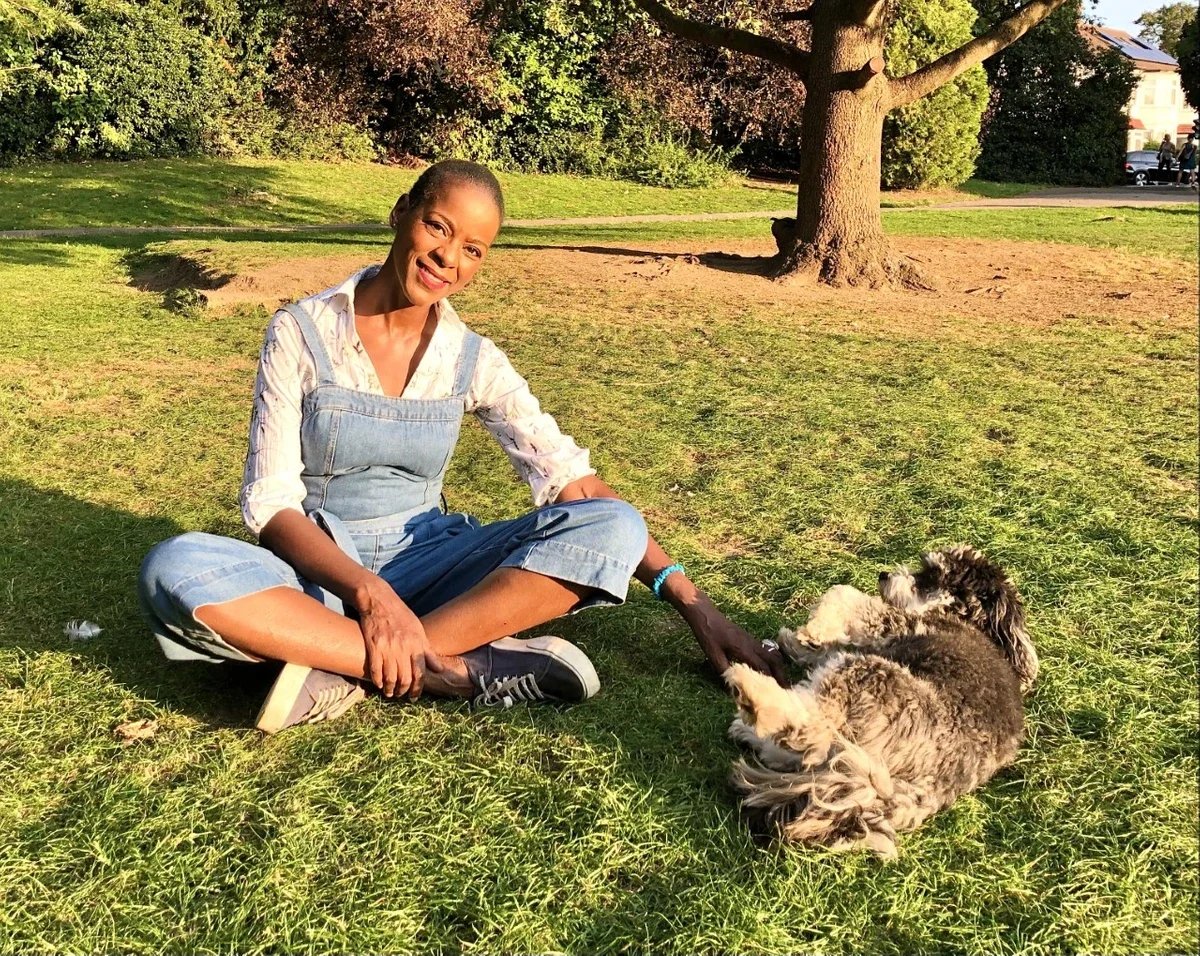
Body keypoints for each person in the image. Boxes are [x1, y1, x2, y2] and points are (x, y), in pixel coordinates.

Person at [138, 160, 785, 733]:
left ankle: (346, 666)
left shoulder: (471, 359)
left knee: (615, 525)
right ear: (402, 214)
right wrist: (370, 595)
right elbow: (273, 505)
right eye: (439, 227)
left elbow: (575, 484)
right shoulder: (302, 333)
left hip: (434, 567)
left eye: (474, 250)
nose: (450, 258)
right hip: (320, 573)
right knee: (177, 569)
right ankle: (452, 670)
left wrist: (695, 605)